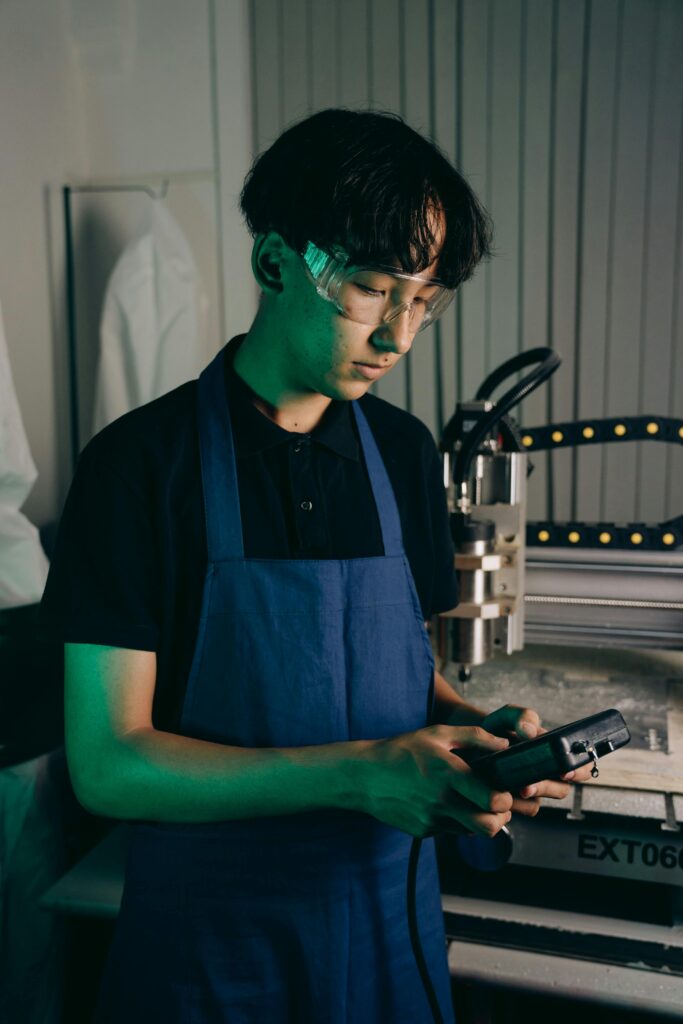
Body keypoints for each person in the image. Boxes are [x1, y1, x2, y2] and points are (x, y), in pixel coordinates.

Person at [41, 108, 590, 1023]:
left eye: (423, 301)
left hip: (385, 935)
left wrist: (474, 735)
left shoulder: (404, 453)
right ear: (273, 262)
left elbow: (408, 684)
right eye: (373, 291)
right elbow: (109, 765)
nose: (398, 337)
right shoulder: (138, 467)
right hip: (211, 953)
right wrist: (357, 772)